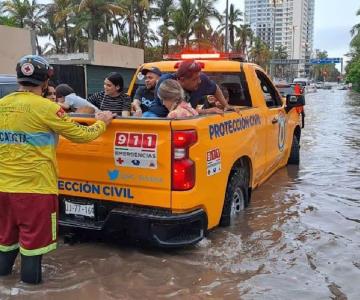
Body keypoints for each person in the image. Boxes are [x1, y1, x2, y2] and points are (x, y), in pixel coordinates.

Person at [0, 55, 114, 284]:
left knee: (5, 242)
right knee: (32, 249)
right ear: (44, 83)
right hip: (36, 190)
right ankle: (31, 292)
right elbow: (82, 135)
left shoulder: (2, 105)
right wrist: (103, 122)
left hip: (3, 188)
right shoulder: (47, 108)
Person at [143, 60, 229, 118]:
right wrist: (207, 111)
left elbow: (215, 88)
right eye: (195, 79)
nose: (199, 81)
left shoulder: (201, 79)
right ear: (182, 80)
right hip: (157, 117)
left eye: (199, 77)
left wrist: (226, 105)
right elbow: (177, 111)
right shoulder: (167, 83)